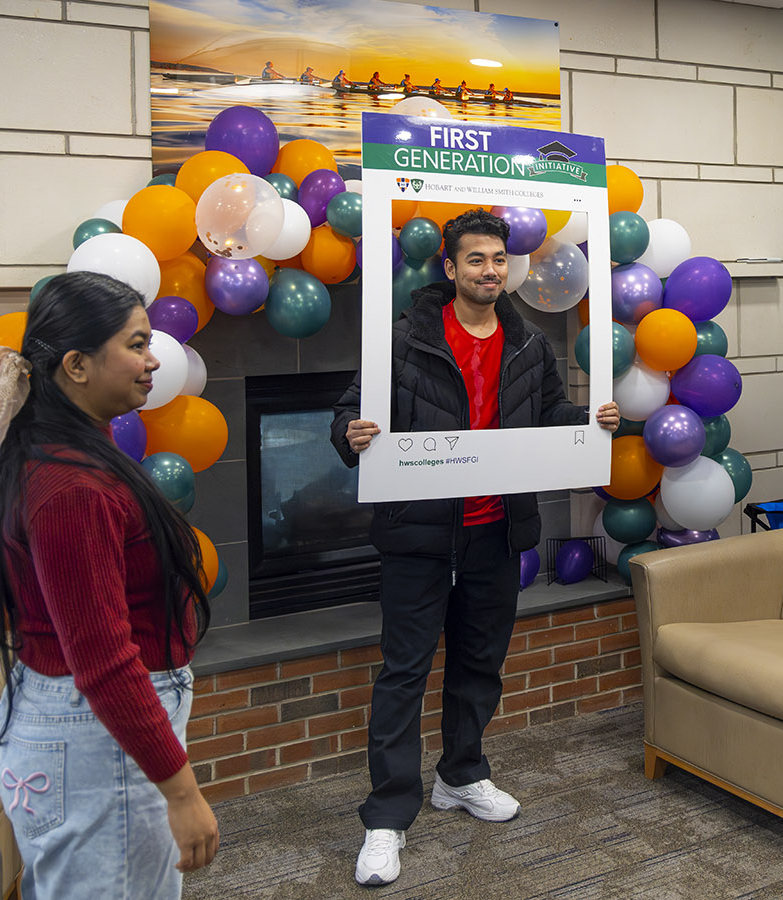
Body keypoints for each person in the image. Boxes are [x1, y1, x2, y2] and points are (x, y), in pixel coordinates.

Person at [330, 209, 619, 887]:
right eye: (476, 260)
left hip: (496, 532)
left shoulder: (530, 346)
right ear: (451, 269)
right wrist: (353, 433)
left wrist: (591, 422)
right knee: (404, 674)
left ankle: (461, 775)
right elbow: (348, 413)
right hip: (418, 536)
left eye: (498, 260)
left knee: (479, 664)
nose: (490, 271)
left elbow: (550, 421)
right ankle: (387, 816)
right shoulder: (401, 340)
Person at [0, 272, 219, 899]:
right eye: (136, 344)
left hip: (81, 730)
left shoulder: (67, 451)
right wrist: (181, 792)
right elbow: (101, 660)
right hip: (94, 740)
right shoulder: (71, 488)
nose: (154, 359)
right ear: (76, 365)